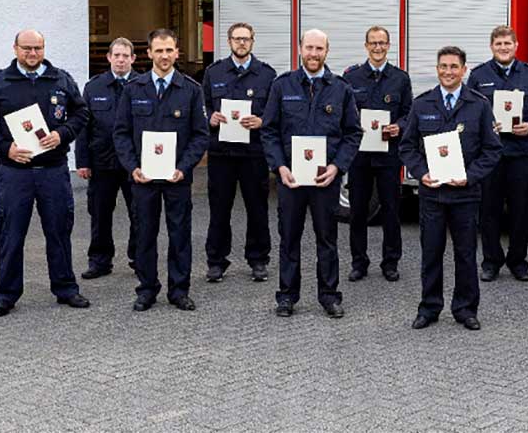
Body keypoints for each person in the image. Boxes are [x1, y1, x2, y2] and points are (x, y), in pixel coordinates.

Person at [0, 29, 91, 317]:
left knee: (59, 232)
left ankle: (66, 288)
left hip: (53, 171)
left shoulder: (61, 80)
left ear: (44, 48)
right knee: (11, 235)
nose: (32, 53)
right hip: (15, 173)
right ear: (15, 48)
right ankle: (7, 295)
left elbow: (82, 113)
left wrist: (63, 134)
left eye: (37, 48)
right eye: (26, 48)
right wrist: (4, 148)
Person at [399, 46, 502, 331]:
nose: (448, 71)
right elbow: (407, 147)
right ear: (437, 69)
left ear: (464, 70)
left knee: (466, 254)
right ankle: (429, 308)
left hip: (465, 194)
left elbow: (492, 150)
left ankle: (466, 309)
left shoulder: (479, 105)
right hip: (432, 194)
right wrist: (421, 173)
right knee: (431, 253)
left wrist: (469, 176)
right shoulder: (422, 104)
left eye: (454, 67)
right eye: (443, 66)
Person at [260, 29, 360, 319]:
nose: (314, 54)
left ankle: (329, 296)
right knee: (289, 238)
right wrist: (279, 167)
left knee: (327, 239)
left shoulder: (341, 89)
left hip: (324, 180)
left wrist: (337, 167)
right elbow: (269, 131)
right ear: (300, 49)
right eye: (309, 48)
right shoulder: (283, 86)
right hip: (290, 178)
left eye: (320, 49)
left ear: (327, 51)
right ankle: (287, 296)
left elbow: (353, 133)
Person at [113, 28, 208, 312]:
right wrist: (132, 168)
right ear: (149, 53)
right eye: (159, 50)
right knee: (145, 234)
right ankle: (146, 289)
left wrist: (184, 167)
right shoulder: (133, 89)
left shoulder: (191, 90)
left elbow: (200, 135)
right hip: (143, 178)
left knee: (180, 234)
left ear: (177, 53)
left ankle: (179, 291)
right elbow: (121, 133)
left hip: (177, 178)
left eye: (169, 50)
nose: (164, 56)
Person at [467, 25, 528, 282]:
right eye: (498, 43)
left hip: (521, 153)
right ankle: (491, 261)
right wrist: (485, 126)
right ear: (491, 47)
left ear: (516, 46)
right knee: (489, 210)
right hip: (490, 155)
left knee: (521, 210)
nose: (503, 47)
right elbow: (469, 110)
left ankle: (518, 261)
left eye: (508, 43)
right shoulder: (479, 76)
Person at [202, 23, 277, 284]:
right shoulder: (214, 72)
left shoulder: (267, 75)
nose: (241, 43)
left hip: (254, 153)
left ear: (253, 42)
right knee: (219, 208)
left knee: (257, 208)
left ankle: (258, 260)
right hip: (221, 153)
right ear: (229, 41)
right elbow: (202, 106)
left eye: (246, 39)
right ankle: (216, 261)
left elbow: (274, 112)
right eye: (237, 39)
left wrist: (262, 121)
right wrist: (209, 117)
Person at [342, 26, 413, 283]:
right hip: (359, 156)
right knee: (358, 211)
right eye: (373, 43)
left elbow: (409, 113)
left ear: (389, 45)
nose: (377, 47)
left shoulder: (400, 79)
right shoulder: (351, 78)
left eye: (382, 43)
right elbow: (345, 114)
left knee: (391, 210)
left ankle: (390, 262)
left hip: (389, 154)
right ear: (366, 46)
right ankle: (359, 262)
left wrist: (400, 127)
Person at [76, 37, 139, 279]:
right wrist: (82, 161)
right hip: (102, 162)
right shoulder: (94, 87)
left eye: (126, 56)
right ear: (109, 58)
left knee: (139, 213)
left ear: (133, 59)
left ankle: (139, 259)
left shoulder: (143, 85)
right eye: (117, 55)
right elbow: (84, 126)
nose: (121, 60)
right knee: (100, 213)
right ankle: (100, 262)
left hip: (134, 163)